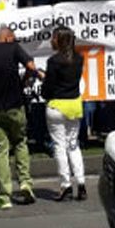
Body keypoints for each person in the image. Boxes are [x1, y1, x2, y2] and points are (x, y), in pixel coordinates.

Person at [0, 26, 38, 210]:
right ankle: (26, 183)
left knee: (0, 151)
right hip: (15, 106)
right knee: (20, 142)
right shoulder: (13, 47)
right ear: (9, 38)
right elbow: (31, 66)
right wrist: (24, 80)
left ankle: (4, 196)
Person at [41, 26, 87, 201]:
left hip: (57, 107)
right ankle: (81, 184)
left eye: (53, 38)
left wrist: (43, 83)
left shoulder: (53, 61)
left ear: (59, 40)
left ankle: (65, 184)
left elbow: (47, 89)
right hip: (74, 106)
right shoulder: (79, 58)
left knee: (60, 147)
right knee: (73, 145)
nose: (51, 41)